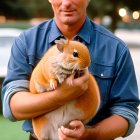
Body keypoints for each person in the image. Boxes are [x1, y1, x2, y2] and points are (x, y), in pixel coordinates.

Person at [1, 0, 139, 139]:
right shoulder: (27, 42)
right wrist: (62, 95)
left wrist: (91, 134)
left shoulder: (116, 49)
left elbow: (126, 112)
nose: (66, 3)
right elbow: (12, 106)